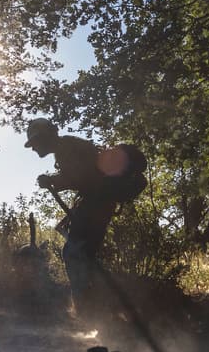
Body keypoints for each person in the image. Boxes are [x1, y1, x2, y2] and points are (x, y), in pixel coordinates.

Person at [24, 118, 145, 306]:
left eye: (35, 142)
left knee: (74, 253)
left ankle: (88, 310)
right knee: (83, 254)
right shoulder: (66, 147)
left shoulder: (66, 147)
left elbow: (81, 177)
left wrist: (53, 180)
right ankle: (100, 307)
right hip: (96, 204)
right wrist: (55, 180)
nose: (33, 148)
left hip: (96, 205)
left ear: (46, 137)